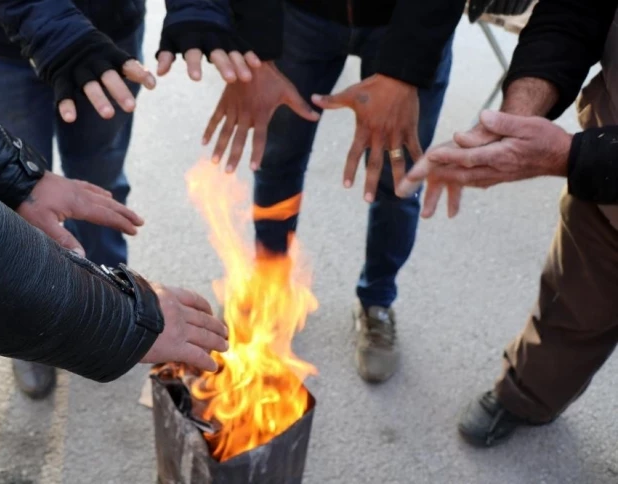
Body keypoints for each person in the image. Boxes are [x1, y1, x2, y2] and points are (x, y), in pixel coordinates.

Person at [0, 0, 263, 398]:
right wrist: (55, 30)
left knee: (100, 187)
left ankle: (115, 305)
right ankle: (31, 324)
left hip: (107, 25)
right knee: (12, 200)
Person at [198, 0, 464, 382]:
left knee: (399, 173)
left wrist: (406, 71)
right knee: (278, 157)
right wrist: (255, 42)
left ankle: (377, 303)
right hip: (299, 13)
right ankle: (268, 285)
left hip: (408, 17)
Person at [396, 0, 618, 447]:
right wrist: (515, 120)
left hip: (597, 159)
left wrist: (570, 156)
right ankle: (527, 396)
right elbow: (576, 12)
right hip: (605, 174)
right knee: (574, 299)